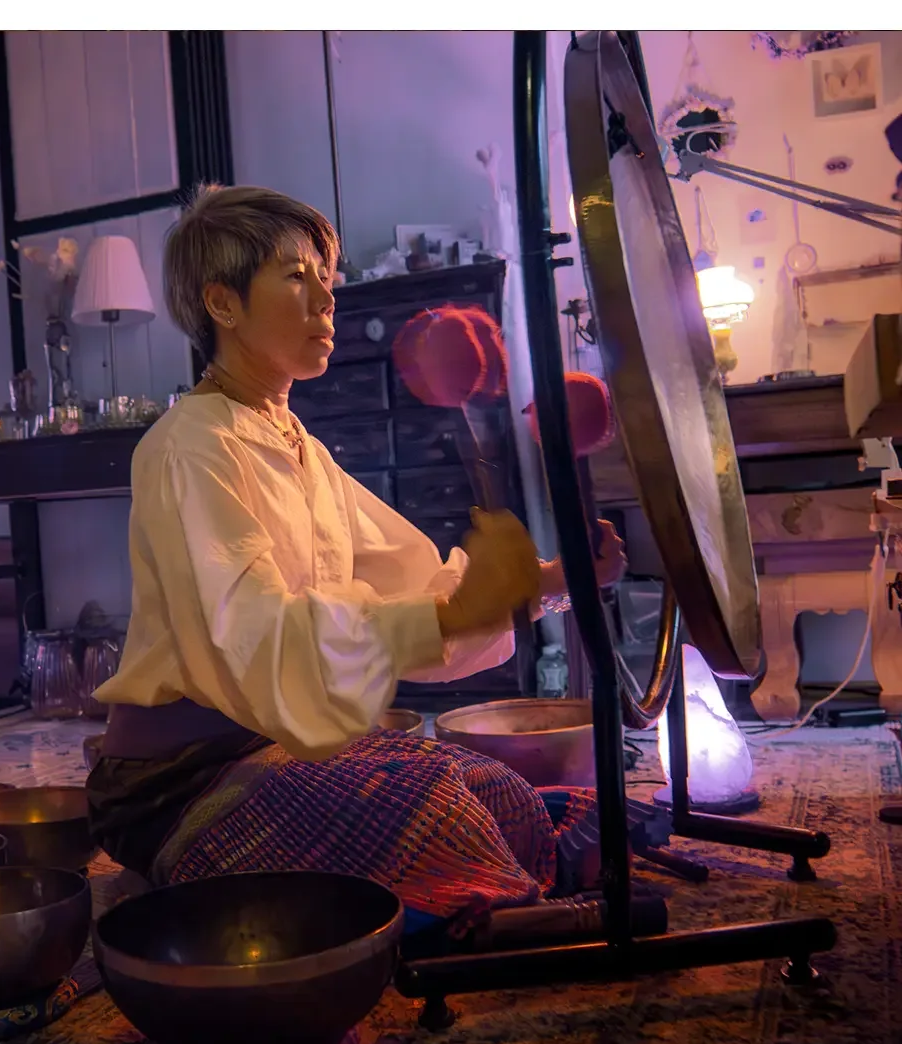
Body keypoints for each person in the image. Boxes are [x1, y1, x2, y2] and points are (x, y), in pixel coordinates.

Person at [86, 184, 640, 939]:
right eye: (295, 275)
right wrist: (451, 612)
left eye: (326, 276)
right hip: (180, 784)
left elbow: (410, 577)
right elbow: (254, 635)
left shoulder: (298, 446)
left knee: (498, 793)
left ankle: (472, 899)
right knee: (429, 799)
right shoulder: (189, 449)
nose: (327, 297)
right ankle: (487, 917)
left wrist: (553, 582)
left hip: (279, 749)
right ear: (223, 304)